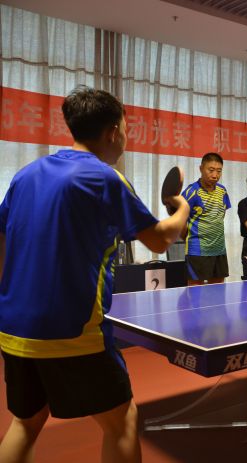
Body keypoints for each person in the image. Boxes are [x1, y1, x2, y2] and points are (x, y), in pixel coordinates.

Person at [0, 86, 189, 463]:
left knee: (26, 422)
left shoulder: (26, 175)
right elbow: (159, 240)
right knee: (122, 422)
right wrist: (181, 208)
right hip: (74, 332)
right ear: (113, 132)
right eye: (126, 129)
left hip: (14, 328)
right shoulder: (105, 178)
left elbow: (3, 243)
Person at [182, 152, 231, 285]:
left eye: (219, 171)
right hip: (197, 250)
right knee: (195, 291)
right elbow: (180, 219)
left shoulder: (222, 191)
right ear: (201, 169)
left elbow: (220, 215)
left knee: (218, 289)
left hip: (219, 249)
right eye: (211, 170)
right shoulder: (191, 191)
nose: (215, 175)